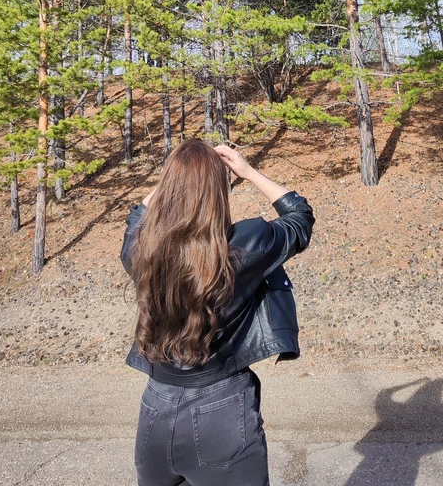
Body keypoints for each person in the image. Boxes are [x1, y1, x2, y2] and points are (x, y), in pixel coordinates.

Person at [120, 137, 315, 486]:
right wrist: (248, 170)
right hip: (221, 411)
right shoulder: (245, 245)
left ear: (168, 187)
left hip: (154, 409)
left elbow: (138, 215)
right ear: (219, 190)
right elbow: (299, 216)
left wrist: (173, 175)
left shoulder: (142, 249)